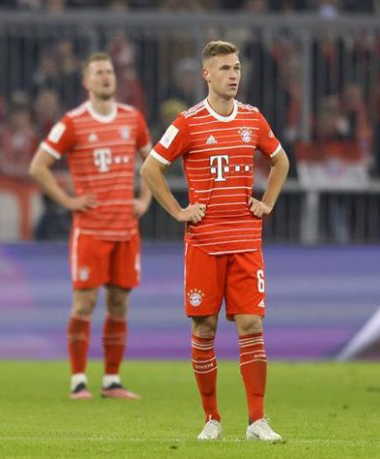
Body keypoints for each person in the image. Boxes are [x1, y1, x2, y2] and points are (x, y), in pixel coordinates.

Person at [141, 40, 289, 441]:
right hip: (204, 243)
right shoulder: (188, 123)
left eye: (236, 67)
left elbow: (280, 160)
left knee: (251, 324)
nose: (233, 75)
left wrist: (268, 201)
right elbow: (151, 168)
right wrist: (178, 211)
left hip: (245, 241)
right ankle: (212, 418)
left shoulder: (253, 118)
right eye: (225, 68)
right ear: (206, 74)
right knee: (205, 329)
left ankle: (257, 420)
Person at [29, 52, 152, 400]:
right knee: (84, 303)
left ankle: (112, 380)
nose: (105, 77)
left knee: (119, 304)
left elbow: (153, 163)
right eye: (98, 72)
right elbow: (38, 166)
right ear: (86, 81)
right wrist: (67, 201)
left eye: (109, 71)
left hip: (125, 230)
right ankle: (78, 381)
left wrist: (144, 200)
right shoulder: (73, 122)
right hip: (91, 231)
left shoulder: (132, 119)